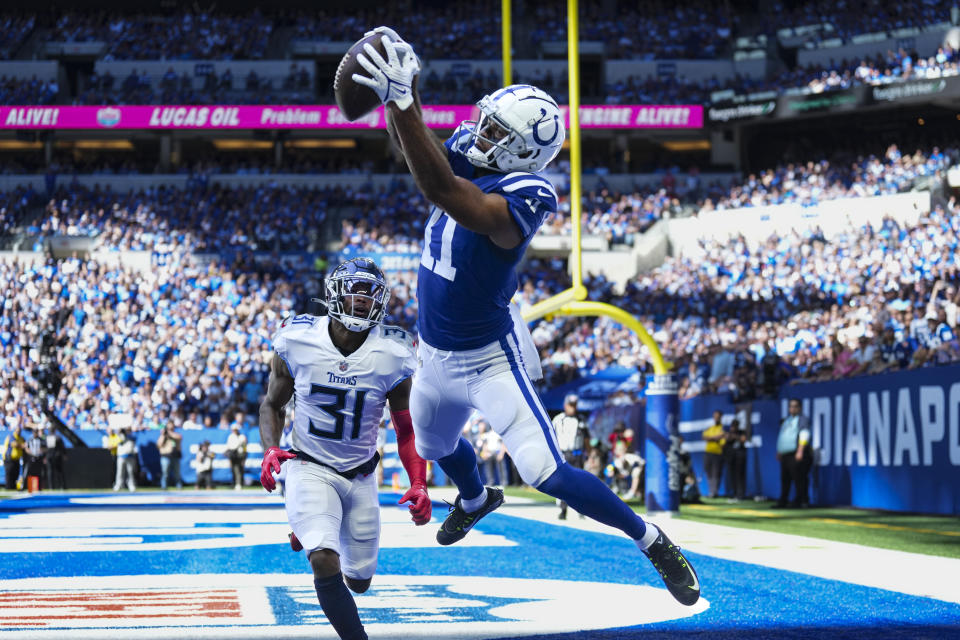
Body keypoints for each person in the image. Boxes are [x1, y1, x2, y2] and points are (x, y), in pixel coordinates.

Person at [353, 26, 699, 606]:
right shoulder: (477, 151)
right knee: (435, 448)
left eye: (495, 131)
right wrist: (397, 102)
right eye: (485, 121)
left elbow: (443, 190)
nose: (478, 132)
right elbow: (424, 159)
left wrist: (402, 100)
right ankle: (475, 499)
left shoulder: (529, 194)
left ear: (522, 150)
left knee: (546, 472)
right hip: (434, 351)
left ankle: (652, 539)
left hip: (489, 358)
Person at [258, 257, 433, 640]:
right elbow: (272, 404)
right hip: (308, 464)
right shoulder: (297, 339)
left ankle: (312, 526)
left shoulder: (394, 352)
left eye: (370, 293)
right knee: (323, 559)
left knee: (359, 582)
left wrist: (418, 481)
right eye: (354, 290)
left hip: (361, 473)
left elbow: (407, 429)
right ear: (334, 293)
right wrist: (271, 449)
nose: (361, 300)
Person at [552, 394, 591, 518]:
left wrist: (589, 454)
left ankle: (581, 510)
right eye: (570, 405)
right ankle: (563, 510)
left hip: (577, 454)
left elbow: (586, 439)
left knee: (579, 483)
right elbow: (552, 437)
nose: (573, 408)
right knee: (563, 483)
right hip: (563, 454)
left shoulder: (581, 420)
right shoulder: (558, 419)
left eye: (575, 405)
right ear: (565, 405)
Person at [775, 398, 813, 508]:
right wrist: (779, 451)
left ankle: (801, 501)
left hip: (796, 453)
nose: (792, 408)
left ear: (800, 408)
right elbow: (783, 436)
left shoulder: (802, 419)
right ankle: (783, 501)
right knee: (785, 479)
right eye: (790, 406)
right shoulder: (787, 420)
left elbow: (804, 434)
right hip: (786, 454)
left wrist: (800, 450)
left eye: (795, 406)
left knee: (799, 479)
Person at [701, 410, 726, 498]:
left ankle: (715, 492)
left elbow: (722, 441)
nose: (716, 417)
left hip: (717, 453)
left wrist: (711, 438)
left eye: (717, 416)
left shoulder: (723, 428)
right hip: (708, 452)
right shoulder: (710, 428)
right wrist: (715, 437)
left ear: (721, 417)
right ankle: (710, 491)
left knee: (716, 473)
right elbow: (704, 437)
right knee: (709, 472)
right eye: (714, 416)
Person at [725, 418, 748, 501]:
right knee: (733, 477)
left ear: (738, 426)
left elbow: (743, 439)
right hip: (731, 458)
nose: (733, 428)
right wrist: (730, 436)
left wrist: (735, 436)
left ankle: (741, 495)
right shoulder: (729, 433)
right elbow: (726, 439)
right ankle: (735, 494)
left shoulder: (741, 432)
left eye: (735, 426)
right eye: (732, 426)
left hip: (740, 457)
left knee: (740, 476)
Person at [157, 424, 183, 490]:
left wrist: (170, 433)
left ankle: (178, 485)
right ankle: (164, 486)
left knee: (177, 473)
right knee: (165, 472)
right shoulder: (162, 436)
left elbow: (179, 437)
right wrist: (163, 435)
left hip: (175, 456)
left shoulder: (175, 434)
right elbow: (159, 445)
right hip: (166, 456)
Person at [225, 423, 248, 490]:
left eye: (235, 429)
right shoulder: (230, 437)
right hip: (232, 455)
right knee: (234, 469)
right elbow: (229, 447)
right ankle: (235, 483)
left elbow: (244, 447)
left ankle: (239, 483)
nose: (234, 431)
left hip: (240, 455)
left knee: (239, 469)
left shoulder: (242, 436)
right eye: (233, 429)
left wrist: (244, 456)